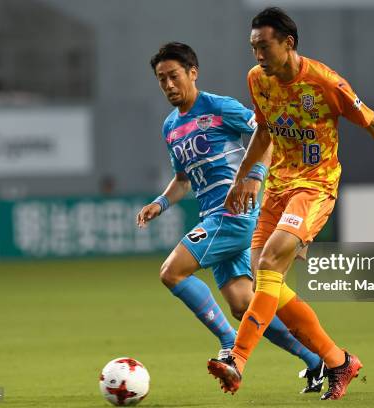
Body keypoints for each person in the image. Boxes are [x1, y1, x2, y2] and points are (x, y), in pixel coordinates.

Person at [206, 7, 374, 400]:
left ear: (288, 43)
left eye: (264, 46)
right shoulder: (258, 80)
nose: (257, 56)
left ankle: (237, 359)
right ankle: (339, 361)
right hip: (277, 187)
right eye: (253, 47)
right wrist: (243, 177)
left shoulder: (325, 82)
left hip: (315, 186)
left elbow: (373, 125)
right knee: (264, 282)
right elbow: (266, 129)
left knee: (270, 264)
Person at [137, 42, 326, 395]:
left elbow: (268, 136)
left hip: (235, 213)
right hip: (212, 215)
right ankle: (317, 362)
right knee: (243, 305)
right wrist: (160, 204)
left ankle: (229, 346)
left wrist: (255, 178)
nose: (168, 85)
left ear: (193, 73)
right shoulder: (170, 126)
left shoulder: (218, 107)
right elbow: (182, 180)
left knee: (172, 272)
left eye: (174, 76)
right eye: (161, 79)